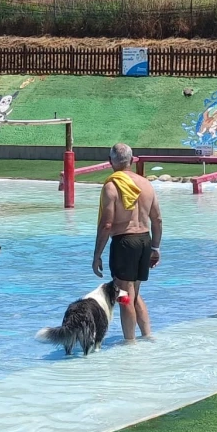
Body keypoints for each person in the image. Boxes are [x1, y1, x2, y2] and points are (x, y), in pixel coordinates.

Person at [92, 143, 162, 343]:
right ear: (132, 161)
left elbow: (107, 224)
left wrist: (97, 255)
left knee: (124, 295)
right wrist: (156, 247)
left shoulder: (111, 186)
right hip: (144, 240)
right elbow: (157, 220)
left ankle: (130, 342)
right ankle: (148, 336)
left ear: (110, 162)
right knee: (135, 291)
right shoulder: (146, 184)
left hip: (124, 242)